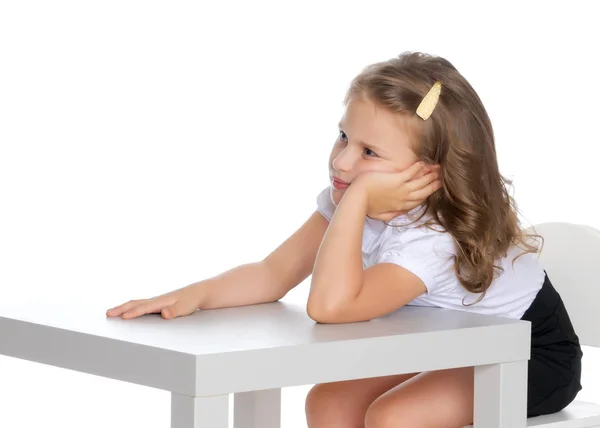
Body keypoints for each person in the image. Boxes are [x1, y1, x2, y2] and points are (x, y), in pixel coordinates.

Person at [106, 51, 582, 427]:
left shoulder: (435, 239)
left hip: (531, 354)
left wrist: (355, 203)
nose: (341, 162)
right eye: (342, 137)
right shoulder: (348, 198)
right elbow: (274, 274)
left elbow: (330, 307)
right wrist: (192, 296)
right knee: (329, 403)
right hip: (440, 343)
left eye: (369, 151)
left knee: (395, 418)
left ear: (430, 174)